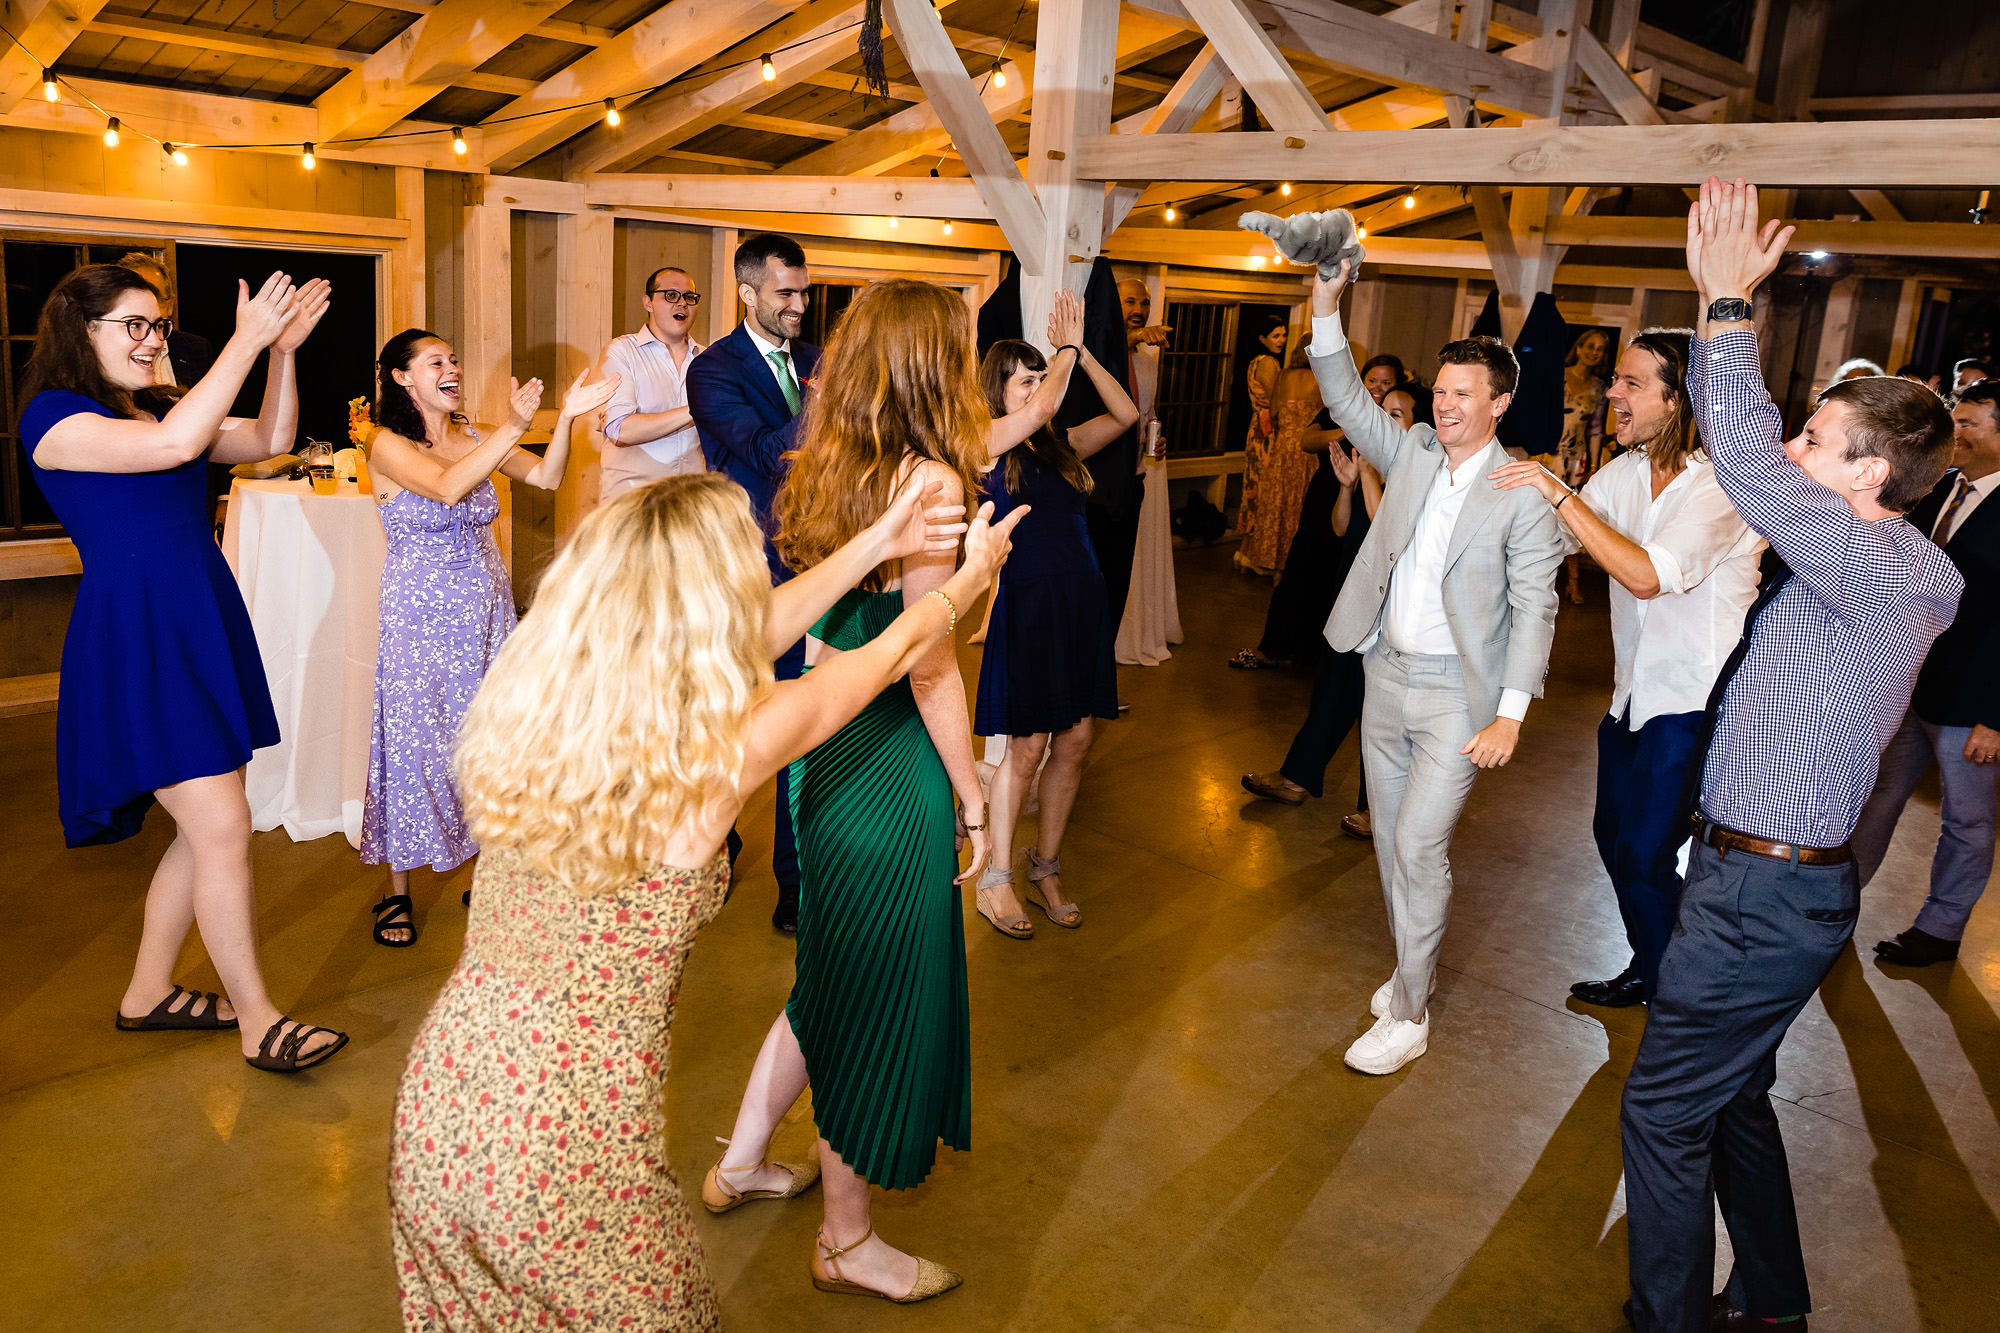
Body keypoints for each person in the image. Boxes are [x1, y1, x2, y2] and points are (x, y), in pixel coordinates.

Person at [388, 471, 1021, 1330]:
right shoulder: (721, 745)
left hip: (443, 1102)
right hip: (559, 1148)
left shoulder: (540, 696)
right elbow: (884, 660)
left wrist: (879, 540)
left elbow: (753, 633)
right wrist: (964, 581)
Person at [1619, 177, 1960, 1333]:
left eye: (1821, 439)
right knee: (1732, 1103)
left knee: (1663, 1115)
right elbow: (1768, 475)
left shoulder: (1874, 566)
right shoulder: (1870, 568)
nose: (1795, 449)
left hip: (1760, 895)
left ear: (1868, 477)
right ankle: (1772, 1299)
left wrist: (1723, 303)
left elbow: (1750, 459)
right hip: (1765, 881)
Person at [703, 279, 1008, 1303]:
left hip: (817, 745)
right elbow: (927, 662)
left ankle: (745, 1157)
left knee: (827, 974)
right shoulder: (933, 484)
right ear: (933, 364)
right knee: (876, 993)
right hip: (886, 752)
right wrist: (971, 793)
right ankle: (845, 1237)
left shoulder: (829, 457)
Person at [21, 263, 346, 1071]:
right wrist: (246, 338)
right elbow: (176, 446)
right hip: (140, 634)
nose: (151, 339)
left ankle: (147, 993)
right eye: (133, 324)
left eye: (157, 325)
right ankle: (258, 1019)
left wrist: (281, 354)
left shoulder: (161, 406)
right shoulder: (53, 418)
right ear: (78, 329)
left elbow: (267, 441)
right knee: (224, 826)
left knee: (208, 825)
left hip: (194, 619)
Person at [1307, 260, 1566, 1076]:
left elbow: (1537, 607)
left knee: (1420, 847)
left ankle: (1410, 1012)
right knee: (1391, 840)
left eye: (1465, 393)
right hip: (1383, 672)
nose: (1447, 404)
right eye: (1442, 390)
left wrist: (1511, 713)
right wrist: (1325, 303)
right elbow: (1347, 397)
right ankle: (1406, 971)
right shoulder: (1414, 450)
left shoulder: (1523, 491)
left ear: (1499, 403)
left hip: (1460, 697)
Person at [1490, 330, 1766, 1009]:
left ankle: (1682, 990)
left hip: (1693, 701)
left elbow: (1645, 576)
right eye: (1616, 379)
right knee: (1613, 837)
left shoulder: (1723, 487)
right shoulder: (1623, 473)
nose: (1613, 392)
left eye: (1631, 382)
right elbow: (1559, 533)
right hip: (1632, 697)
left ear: (1678, 401)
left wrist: (1559, 495)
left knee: (1645, 851)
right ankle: (1656, 964)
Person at [357, 330, 615, 946]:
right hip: (421, 619)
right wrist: (512, 426)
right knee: (417, 742)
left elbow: (548, 479)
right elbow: (447, 488)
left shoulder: (474, 435)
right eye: (435, 362)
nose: (452, 368)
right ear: (401, 377)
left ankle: (490, 867)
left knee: (490, 744)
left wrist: (566, 423)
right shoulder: (385, 443)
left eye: (454, 359)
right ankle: (398, 893)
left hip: (488, 613)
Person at [971, 294, 1139, 937]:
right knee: (1026, 746)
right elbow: (1042, 406)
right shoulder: (983, 443)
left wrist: (1085, 352)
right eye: (1026, 380)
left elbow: (1125, 413)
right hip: (1032, 607)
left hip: (1080, 606)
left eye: (1042, 379)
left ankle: (1045, 866)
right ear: (1000, 390)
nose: (1041, 391)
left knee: (1076, 740)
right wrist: (1064, 347)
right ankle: (996, 881)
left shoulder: (1062, 444)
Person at [687, 232, 821, 935]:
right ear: (748, 293)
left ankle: (795, 888)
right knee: (732, 727)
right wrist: (829, 402)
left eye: (804, 291)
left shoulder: (815, 360)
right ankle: (715, 840)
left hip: (822, 566)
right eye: (786, 294)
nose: (801, 305)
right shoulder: (714, 371)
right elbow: (773, 453)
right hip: (749, 577)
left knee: (801, 726)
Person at [1848, 377, 2000, 967]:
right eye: (1954, 420)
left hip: (1973, 699)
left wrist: (1995, 718)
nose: (1954, 433)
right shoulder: (1940, 488)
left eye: (1969, 424)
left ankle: (1941, 928)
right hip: (1908, 681)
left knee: (1967, 820)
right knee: (1878, 796)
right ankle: (1833, 906)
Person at [1240, 382, 1421, 847]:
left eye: (1397, 414)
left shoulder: (1417, 475)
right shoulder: (1371, 469)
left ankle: (1374, 808)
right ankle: (1297, 778)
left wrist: (1364, 475)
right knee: (1333, 691)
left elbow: (1387, 534)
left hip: (1393, 610)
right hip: (1355, 598)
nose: (1385, 418)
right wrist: (1345, 487)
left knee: (1379, 711)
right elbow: (1343, 528)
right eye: (1382, 410)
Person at [1230, 353, 1402, 670]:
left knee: (1339, 582)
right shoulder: (1345, 409)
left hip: (1368, 509)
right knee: (1300, 572)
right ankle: (1276, 648)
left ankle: (1318, 657)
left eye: (1386, 382)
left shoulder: (1398, 417)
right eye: (1372, 380)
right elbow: (1307, 440)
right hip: (1324, 498)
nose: (1377, 387)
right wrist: (1349, 430)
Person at [597, 265, 705, 496]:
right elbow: (620, 429)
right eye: (671, 295)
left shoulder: (709, 359)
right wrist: (699, 409)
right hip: (633, 503)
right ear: (648, 302)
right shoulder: (622, 351)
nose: (682, 303)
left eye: (689, 297)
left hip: (692, 502)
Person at [1557, 328, 1614, 603]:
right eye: (1590, 346)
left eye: (1600, 349)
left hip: (1576, 458)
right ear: (1578, 348)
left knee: (1572, 518)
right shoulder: (1559, 376)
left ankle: (1573, 583)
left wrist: (1592, 464)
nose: (1594, 352)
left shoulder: (1600, 388)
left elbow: (1595, 429)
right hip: (1549, 454)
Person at [1235, 315, 1294, 574]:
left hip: (1258, 428)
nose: (1281, 340)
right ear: (1262, 339)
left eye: (1283, 335)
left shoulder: (1255, 362)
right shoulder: (1268, 362)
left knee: (1255, 488)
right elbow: (1275, 402)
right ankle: (1253, 553)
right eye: (1276, 336)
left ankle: (1245, 551)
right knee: (1262, 489)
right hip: (1267, 431)